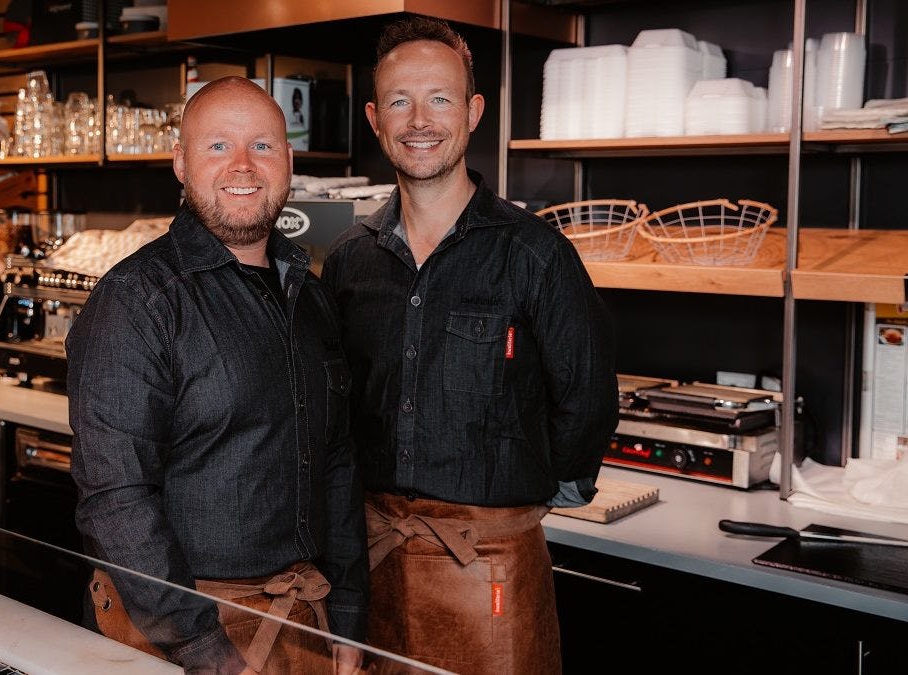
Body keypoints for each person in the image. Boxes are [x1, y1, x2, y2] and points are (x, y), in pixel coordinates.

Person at [322, 17, 617, 675]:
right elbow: (335, 413)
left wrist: (526, 498)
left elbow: (589, 396)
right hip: (371, 562)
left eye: (440, 98)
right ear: (374, 119)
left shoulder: (535, 255)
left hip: (491, 567)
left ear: (474, 111)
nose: (419, 120)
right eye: (399, 101)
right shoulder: (347, 262)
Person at [67, 76, 368, 675]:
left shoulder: (311, 297)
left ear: (289, 162)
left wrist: (350, 613)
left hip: (299, 620)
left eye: (262, 146)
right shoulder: (136, 300)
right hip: (174, 635)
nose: (243, 166)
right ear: (181, 163)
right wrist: (206, 653)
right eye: (217, 146)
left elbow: (335, 462)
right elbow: (116, 499)